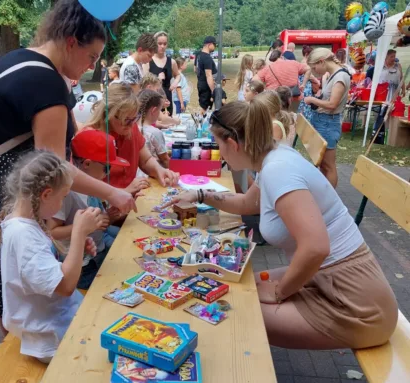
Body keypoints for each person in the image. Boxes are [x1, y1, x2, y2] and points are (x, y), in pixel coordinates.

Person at [164, 100, 398, 351]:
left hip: (358, 307)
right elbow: (246, 203)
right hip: (331, 281)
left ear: (233, 143)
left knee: (234, 308)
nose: (219, 152)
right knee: (234, 289)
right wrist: (200, 195)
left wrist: (279, 293)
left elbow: (316, 247)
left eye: (219, 145)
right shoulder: (274, 157)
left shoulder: (278, 170)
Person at [0, 0, 136, 328]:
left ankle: (19, 342)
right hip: (8, 195)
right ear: (71, 43)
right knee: (18, 288)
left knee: (10, 289)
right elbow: (55, 167)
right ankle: (21, 360)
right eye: (91, 57)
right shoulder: (48, 85)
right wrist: (112, 193)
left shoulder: (17, 60)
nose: (91, 66)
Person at [0, 150, 104, 363]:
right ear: (46, 194)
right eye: (63, 197)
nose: (62, 204)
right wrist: (77, 234)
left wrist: (76, 249)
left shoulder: (23, 219)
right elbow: (65, 286)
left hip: (56, 322)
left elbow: (43, 265)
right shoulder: (23, 235)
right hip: (52, 338)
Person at [47, 130, 127, 289]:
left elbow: (96, 223)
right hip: (82, 265)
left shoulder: (93, 187)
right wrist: (85, 225)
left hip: (98, 250)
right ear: (87, 164)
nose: (108, 173)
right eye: (107, 167)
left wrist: (107, 217)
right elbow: (51, 232)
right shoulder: (66, 194)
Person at [84, 83, 179, 191]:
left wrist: (159, 170)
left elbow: (146, 160)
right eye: (126, 120)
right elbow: (88, 188)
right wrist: (124, 192)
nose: (131, 125)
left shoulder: (131, 127)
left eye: (135, 118)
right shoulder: (90, 138)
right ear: (108, 114)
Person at [304, 48, 351, 188]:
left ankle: (330, 198)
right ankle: (324, 193)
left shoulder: (340, 77)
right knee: (322, 164)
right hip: (322, 121)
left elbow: (332, 104)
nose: (314, 71)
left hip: (328, 123)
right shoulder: (333, 74)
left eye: (314, 67)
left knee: (328, 166)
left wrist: (312, 99)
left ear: (322, 61)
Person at [143, 31, 181, 116]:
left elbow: (178, 75)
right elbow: (144, 82)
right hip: (153, 98)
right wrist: (158, 79)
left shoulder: (172, 62)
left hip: (167, 98)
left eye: (165, 44)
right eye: (159, 43)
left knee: (168, 123)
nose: (162, 46)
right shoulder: (148, 61)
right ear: (154, 44)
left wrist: (175, 82)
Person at [138, 89, 170, 168]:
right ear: (154, 110)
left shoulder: (133, 128)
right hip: (151, 175)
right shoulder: (154, 132)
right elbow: (165, 160)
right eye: (160, 110)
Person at [197, 36, 218, 114]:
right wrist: (213, 90)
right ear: (209, 44)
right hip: (206, 86)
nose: (215, 47)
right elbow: (209, 75)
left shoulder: (199, 55)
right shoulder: (207, 58)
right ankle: (201, 125)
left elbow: (195, 69)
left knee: (204, 107)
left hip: (200, 83)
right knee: (205, 109)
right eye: (214, 45)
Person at [298, 45, 319, 122]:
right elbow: (310, 76)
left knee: (302, 107)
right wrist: (317, 82)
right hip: (305, 87)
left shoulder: (300, 62)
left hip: (303, 87)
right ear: (307, 54)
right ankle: (306, 123)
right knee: (306, 106)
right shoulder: (305, 64)